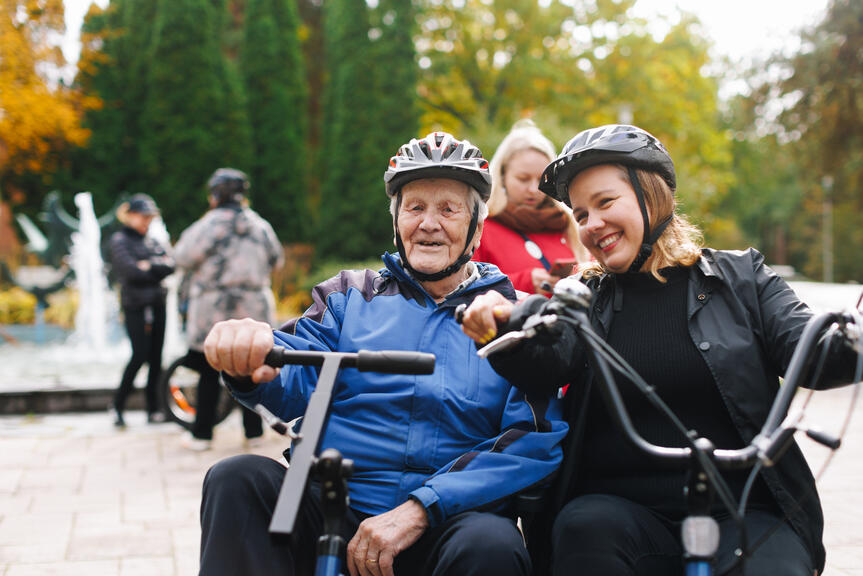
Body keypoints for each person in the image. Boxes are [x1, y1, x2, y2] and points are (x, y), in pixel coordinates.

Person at [460, 124, 859, 576]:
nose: (592, 225)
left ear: (652, 196)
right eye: (581, 214)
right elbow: (548, 360)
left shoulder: (743, 278)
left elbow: (813, 350)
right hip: (615, 512)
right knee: (582, 530)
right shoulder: (582, 296)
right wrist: (503, 325)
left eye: (605, 203)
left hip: (744, 506)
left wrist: (851, 341)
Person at [199, 132, 568, 576]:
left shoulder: (514, 315)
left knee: (493, 543)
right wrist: (247, 357)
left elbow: (532, 442)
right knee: (236, 479)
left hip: (446, 520)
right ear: (397, 221)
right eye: (415, 207)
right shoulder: (348, 297)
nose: (428, 223)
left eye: (448, 209)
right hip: (333, 508)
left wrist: (421, 508)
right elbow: (291, 374)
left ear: (476, 226)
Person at [174, 168, 283, 451]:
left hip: (213, 309)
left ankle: (202, 435)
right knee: (250, 366)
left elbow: (182, 257)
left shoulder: (207, 226)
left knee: (210, 371)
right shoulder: (260, 225)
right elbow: (277, 259)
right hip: (253, 307)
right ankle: (254, 432)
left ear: (214, 195)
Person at [473, 119, 589, 295]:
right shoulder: (481, 228)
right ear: (503, 175)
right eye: (523, 178)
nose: (533, 189)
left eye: (541, 180)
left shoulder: (570, 223)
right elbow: (463, 288)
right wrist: (522, 283)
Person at [109, 193, 175, 427]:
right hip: (135, 305)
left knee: (156, 357)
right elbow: (130, 272)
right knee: (139, 355)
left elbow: (171, 264)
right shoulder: (119, 240)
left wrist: (149, 266)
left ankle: (154, 409)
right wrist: (152, 267)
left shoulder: (153, 240)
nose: (147, 221)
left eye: (150, 217)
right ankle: (117, 405)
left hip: (158, 304)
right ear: (130, 216)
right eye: (143, 216)